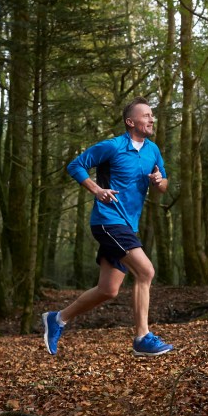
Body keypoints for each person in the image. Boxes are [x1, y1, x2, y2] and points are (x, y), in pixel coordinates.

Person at [42, 97, 174, 356]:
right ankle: (142, 338)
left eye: (151, 115)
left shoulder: (153, 150)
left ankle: (57, 319)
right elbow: (75, 165)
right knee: (146, 272)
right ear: (130, 122)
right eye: (146, 115)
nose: (151, 119)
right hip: (108, 221)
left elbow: (163, 186)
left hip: (128, 225)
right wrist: (97, 189)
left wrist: (159, 181)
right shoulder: (112, 147)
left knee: (108, 289)